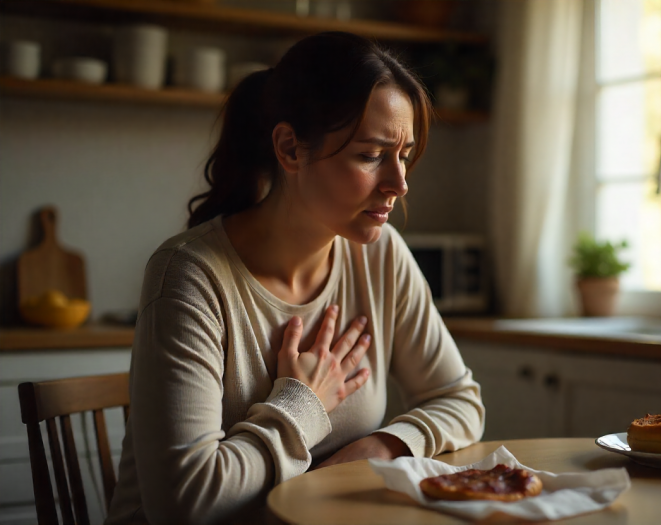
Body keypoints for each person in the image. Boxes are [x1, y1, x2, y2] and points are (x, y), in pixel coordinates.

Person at [107, 32, 484, 525]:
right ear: (290, 149)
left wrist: (384, 445)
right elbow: (184, 503)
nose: (399, 183)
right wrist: (303, 404)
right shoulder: (190, 274)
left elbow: (459, 400)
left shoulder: (381, 254)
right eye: (370, 155)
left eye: (404, 154)